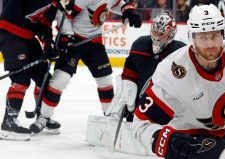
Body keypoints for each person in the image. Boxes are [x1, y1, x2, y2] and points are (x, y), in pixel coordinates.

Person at [132, 4, 225, 159]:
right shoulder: (172, 73)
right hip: (190, 137)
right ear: (191, 38)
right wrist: (165, 141)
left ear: (224, 35)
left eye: (215, 36)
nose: (210, 45)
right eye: (203, 37)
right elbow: (141, 123)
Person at [29, 0, 142, 133]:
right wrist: (67, 38)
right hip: (73, 40)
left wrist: (128, 11)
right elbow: (63, 13)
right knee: (60, 79)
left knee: (105, 80)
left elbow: (117, 4)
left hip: (95, 42)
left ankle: (110, 117)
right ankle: (44, 117)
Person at [86, 13, 186, 150]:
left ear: (171, 35)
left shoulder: (180, 52)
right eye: (155, 31)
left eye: (161, 33)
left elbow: (184, 85)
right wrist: (127, 89)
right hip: (139, 105)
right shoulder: (140, 45)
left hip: (166, 107)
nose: (156, 36)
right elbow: (129, 72)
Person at [0, 0, 60, 140]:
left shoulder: (55, 4)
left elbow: (44, 24)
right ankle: (9, 122)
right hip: (11, 33)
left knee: (44, 77)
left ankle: (42, 116)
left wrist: (48, 42)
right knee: (21, 79)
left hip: (28, 37)